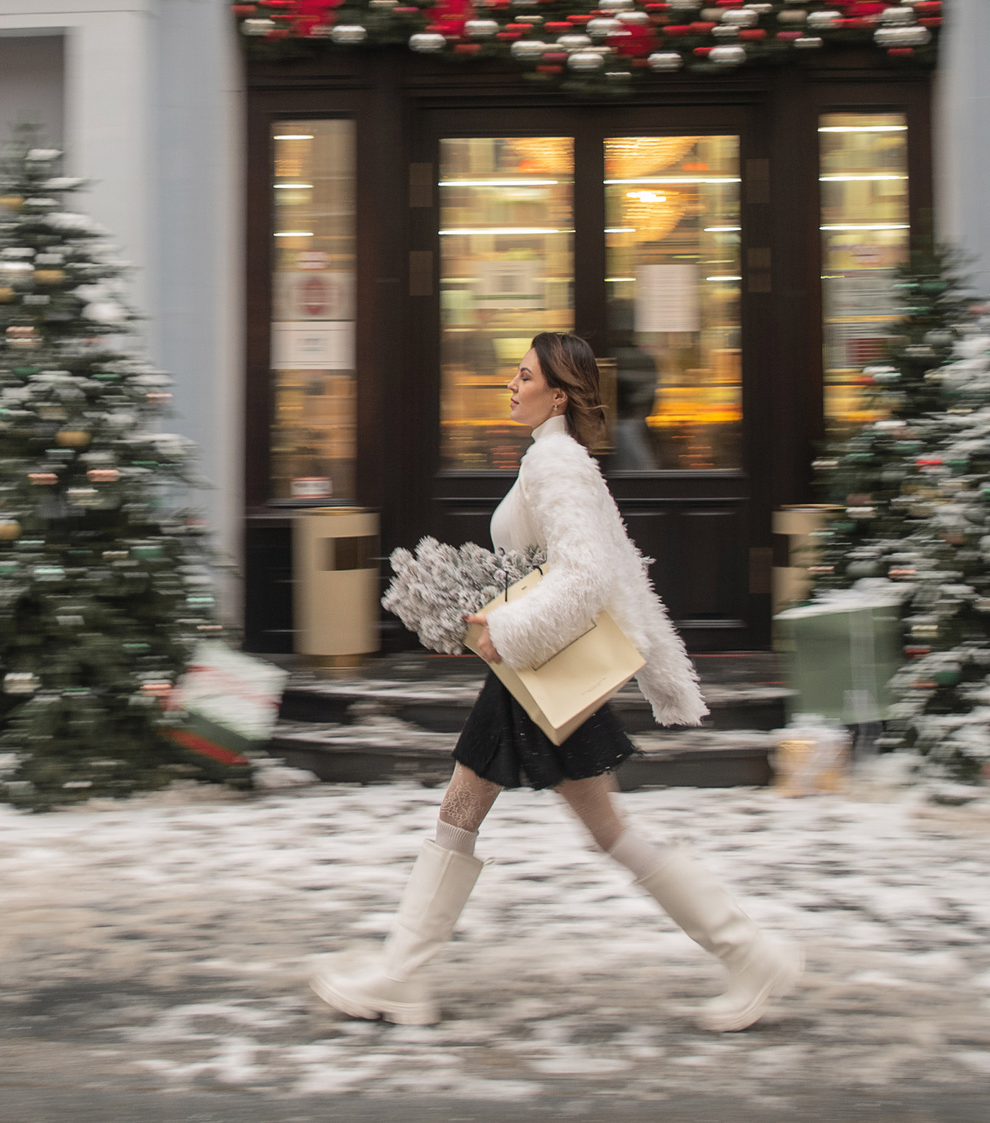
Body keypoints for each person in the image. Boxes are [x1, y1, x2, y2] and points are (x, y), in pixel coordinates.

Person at [307, 330, 802, 1032]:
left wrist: (501, 629)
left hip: (536, 666)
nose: (511, 384)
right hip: (540, 670)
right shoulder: (552, 456)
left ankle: (402, 975)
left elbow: (587, 576)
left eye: (524, 375)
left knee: (490, 812)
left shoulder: (557, 463)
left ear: (558, 393)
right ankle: (748, 953)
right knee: (568, 822)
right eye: (513, 373)